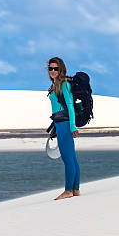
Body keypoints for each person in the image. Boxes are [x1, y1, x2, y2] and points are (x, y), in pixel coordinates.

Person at [48, 57, 80, 200]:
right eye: (51, 68)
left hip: (65, 124)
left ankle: (68, 191)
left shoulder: (64, 84)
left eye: (56, 68)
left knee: (68, 159)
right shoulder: (55, 85)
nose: (53, 71)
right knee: (72, 158)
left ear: (61, 69)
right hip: (59, 124)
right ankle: (75, 189)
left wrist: (72, 125)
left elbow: (70, 105)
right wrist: (55, 127)